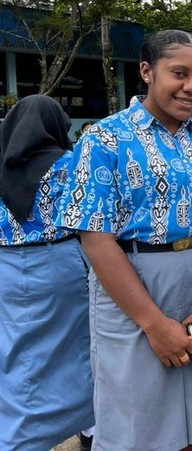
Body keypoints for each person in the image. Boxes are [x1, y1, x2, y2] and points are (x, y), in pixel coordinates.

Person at [55, 30, 192, 451]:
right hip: (135, 287)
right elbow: (95, 237)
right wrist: (154, 325)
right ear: (147, 71)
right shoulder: (105, 139)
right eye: (179, 73)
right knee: (140, 422)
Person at [0, 95, 93, 450]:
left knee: (14, 351)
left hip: (5, 270)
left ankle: (16, 432)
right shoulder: (69, 166)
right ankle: (87, 424)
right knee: (74, 349)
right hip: (61, 264)